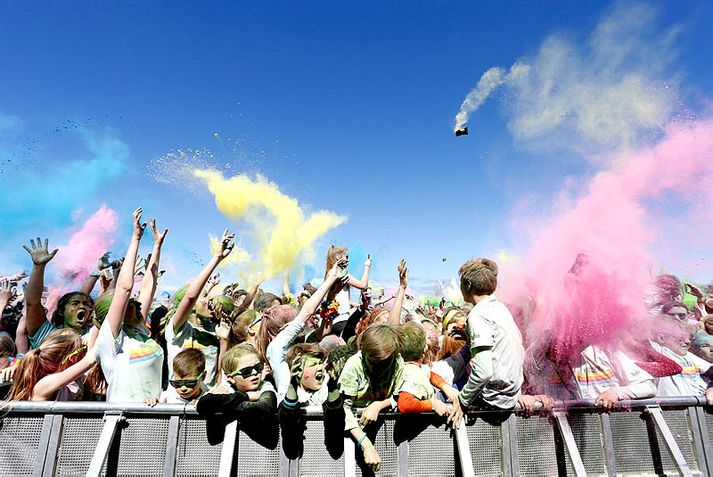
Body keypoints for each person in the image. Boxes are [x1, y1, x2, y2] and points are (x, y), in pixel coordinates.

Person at [94, 208, 166, 403]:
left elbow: (148, 286)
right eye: (129, 304)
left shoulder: (138, 330)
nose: (133, 302)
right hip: (124, 420)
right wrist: (135, 239)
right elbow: (125, 289)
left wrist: (157, 246)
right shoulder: (112, 340)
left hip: (155, 414)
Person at [448, 258, 524, 428]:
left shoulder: (477, 315)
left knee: (442, 388)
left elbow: (483, 372)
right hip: (510, 397)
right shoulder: (500, 308)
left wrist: (463, 400)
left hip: (494, 403)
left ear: (467, 285)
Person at [165, 229, 242, 386]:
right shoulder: (178, 330)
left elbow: (220, 373)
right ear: (191, 306)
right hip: (178, 405)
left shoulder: (214, 330)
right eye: (205, 296)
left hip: (207, 403)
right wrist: (217, 258)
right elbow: (191, 296)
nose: (210, 300)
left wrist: (223, 340)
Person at [338, 324, 404, 474]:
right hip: (353, 434)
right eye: (375, 362)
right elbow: (344, 409)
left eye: (386, 361)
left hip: (384, 435)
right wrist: (366, 445)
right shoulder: (354, 365)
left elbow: (399, 396)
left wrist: (380, 405)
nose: (381, 367)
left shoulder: (397, 362)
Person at [197, 343, 278, 448]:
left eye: (258, 367)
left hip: (260, 451)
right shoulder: (225, 387)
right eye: (246, 371)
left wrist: (224, 405)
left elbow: (264, 409)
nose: (254, 373)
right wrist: (247, 396)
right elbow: (203, 405)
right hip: (222, 450)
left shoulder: (265, 386)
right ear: (231, 377)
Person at [5, 328, 95, 401]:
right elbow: (89, 360)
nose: (85, 351)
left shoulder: (77, 379)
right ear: (71, 358)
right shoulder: (44, 384)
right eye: (83, 349)